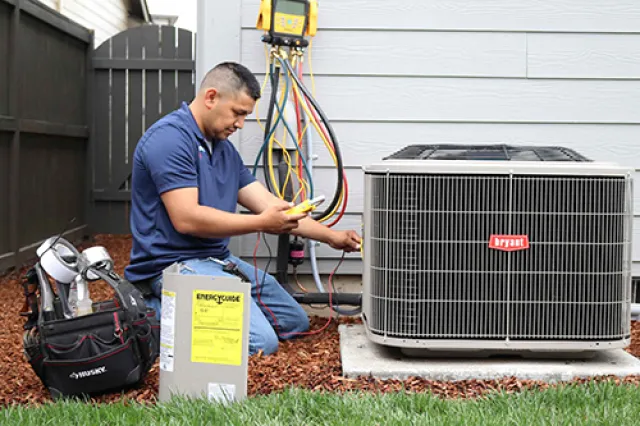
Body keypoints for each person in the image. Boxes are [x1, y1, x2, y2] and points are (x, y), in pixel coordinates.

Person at [124, 62, 361, 356]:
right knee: (261, 342)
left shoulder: (222, 149)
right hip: (169, 267)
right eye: (238, 113)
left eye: (246, 115)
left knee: (293, 321)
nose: (240, 124)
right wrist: (262, 223)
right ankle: (151, 313)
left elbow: (271, 208)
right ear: (211, 97)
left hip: (214, 260)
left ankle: (209, 307)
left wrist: (331, 237)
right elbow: (187, 219)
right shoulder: (169, 140)